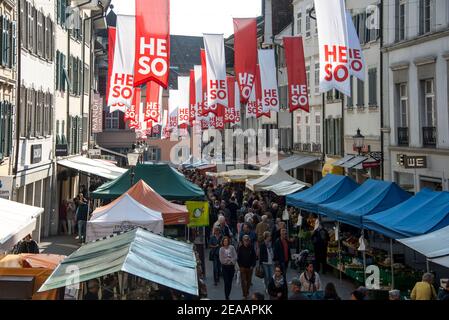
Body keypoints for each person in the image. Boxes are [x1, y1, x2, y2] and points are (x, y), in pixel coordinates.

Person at [237, 235, 257, 300]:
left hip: (250, 267)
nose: (246, 241)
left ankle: (247, 291)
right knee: (243, 281)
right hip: (242, 267)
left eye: (247, 240)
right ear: (243, 241)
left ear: (249, 241)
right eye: (245, 240)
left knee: (248, 281)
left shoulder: (251, 247)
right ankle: (244, 295)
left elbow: (254, 257)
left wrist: (253, 265)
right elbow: (238, 258)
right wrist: (240, 266)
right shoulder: (240, 248)